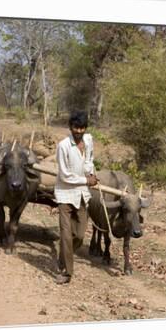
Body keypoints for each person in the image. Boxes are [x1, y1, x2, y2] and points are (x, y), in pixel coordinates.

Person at [54, 110, 98, 284]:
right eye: (76, 128)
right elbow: (64, 175)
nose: (79, 131)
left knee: (79, 235)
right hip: (65, 194)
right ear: (70, 127)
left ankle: (64, 254)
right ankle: (66, 272)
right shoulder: (63, 146)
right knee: (66, 234)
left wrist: (91, 173)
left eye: (82, 128)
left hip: (81, 195)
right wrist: (87, 180)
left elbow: (89, 161)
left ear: (85, 128)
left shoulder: (88, 140)